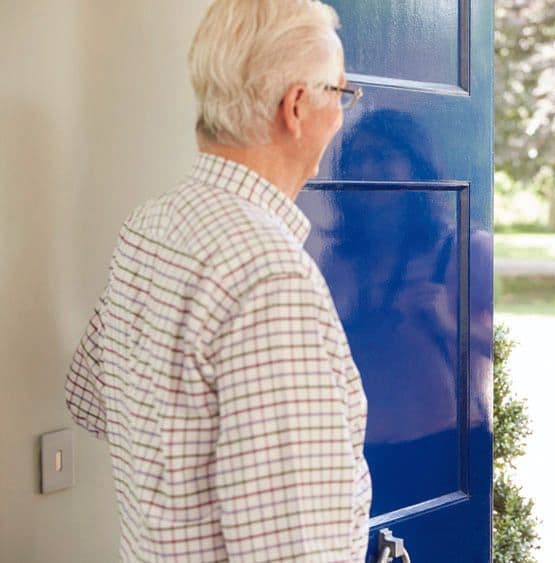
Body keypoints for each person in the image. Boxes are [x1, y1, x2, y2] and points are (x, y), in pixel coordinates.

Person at [64, 1, 371, 561]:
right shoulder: (269, 276)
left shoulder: (150, 226)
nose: (342, 114)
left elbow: (90, 400)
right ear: (297, 106)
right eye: (340, 93)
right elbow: (294, 552)